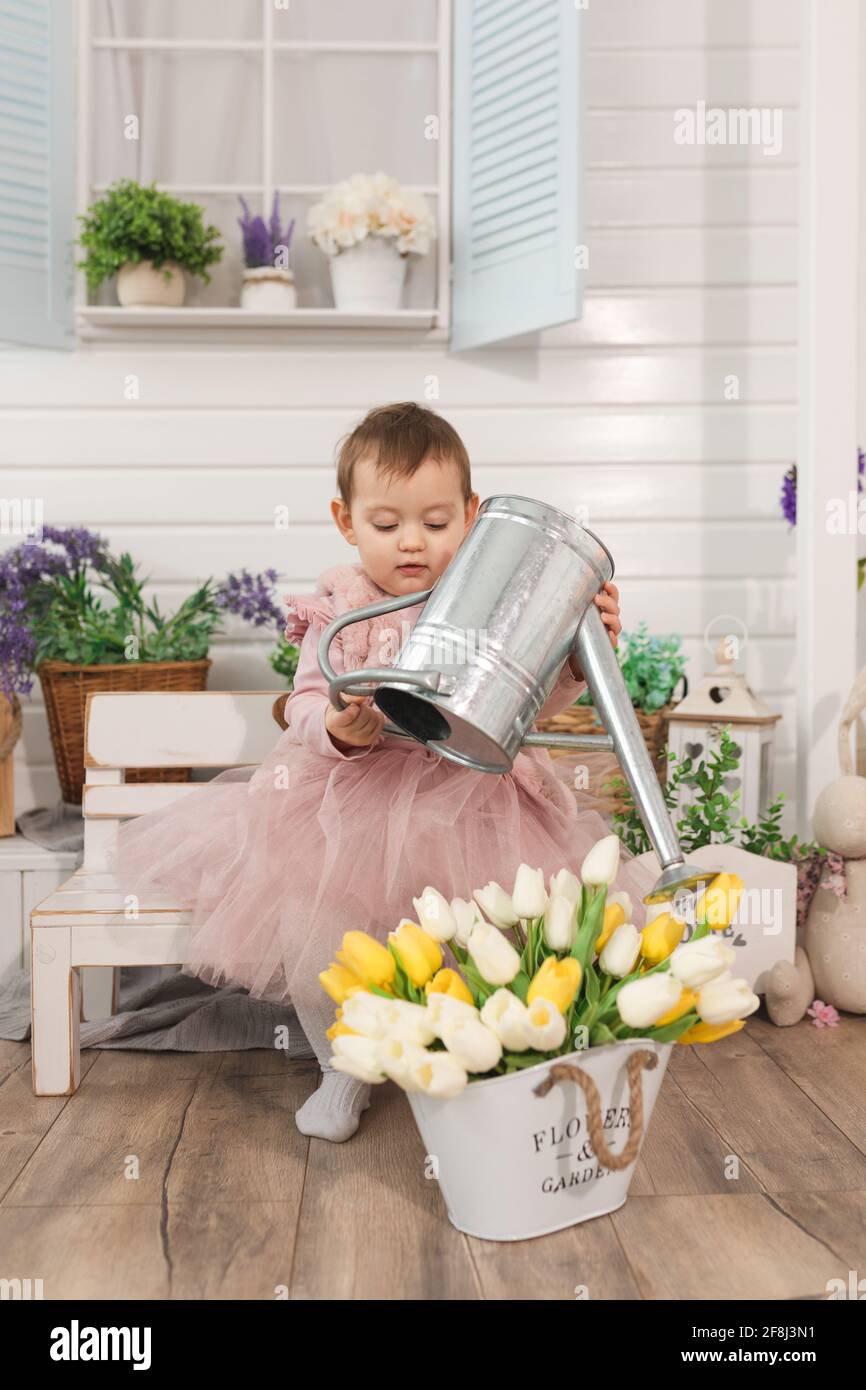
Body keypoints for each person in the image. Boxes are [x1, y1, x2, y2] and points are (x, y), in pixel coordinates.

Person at [108, 401, 657, 1142]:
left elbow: (525, 705)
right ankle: (346, 1064)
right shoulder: (346, 601)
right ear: (346, 520)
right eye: (387, 524)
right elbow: (304, 697)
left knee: (498, 924)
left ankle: (474, 1053)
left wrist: (578, 653)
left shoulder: (490, 595)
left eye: (436, 524)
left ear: (471, 516)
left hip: (472, 790)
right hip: (358, 790)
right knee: (317, 920)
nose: (412, 544)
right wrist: (336, 727)